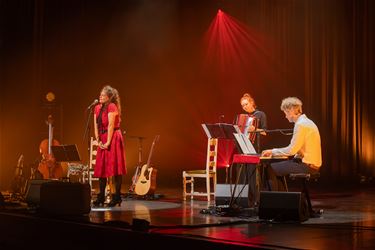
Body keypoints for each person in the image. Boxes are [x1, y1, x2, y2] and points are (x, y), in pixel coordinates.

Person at [261, 97, 322, 191]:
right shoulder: (307, 122)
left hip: (307, 165)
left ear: (291, 111)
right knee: (277, 168)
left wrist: (272, 151)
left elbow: (292, 150)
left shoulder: (300, 125)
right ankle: (281, 199)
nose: (285, 116)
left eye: (285, 113)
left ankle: (275, 200)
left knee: (270, 169)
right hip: (310, 164)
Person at [93, 85, 127, 207]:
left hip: (113, 138)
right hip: (102, 138)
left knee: (115, 168)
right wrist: (98, 140)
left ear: (109, 97)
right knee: (101, 169)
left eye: (103, 95)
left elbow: (111, 125)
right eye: (100, 94)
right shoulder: (96, 108)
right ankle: (101, 196)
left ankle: (117, 196)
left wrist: (107, 142)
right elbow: (96, 125)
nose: (100, 96)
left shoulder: (112, 107)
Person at [235, 93, 268, 208]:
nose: (244, 107)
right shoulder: (243, 117)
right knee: (243, 171)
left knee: (253, 172)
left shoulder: (260, 114)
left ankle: (255, 198)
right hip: (244, 146)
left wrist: (255, 129)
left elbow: (264, 132)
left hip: (255, 147)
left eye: (246, 104)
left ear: (252, 103)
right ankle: (243, 197)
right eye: (242, 105)